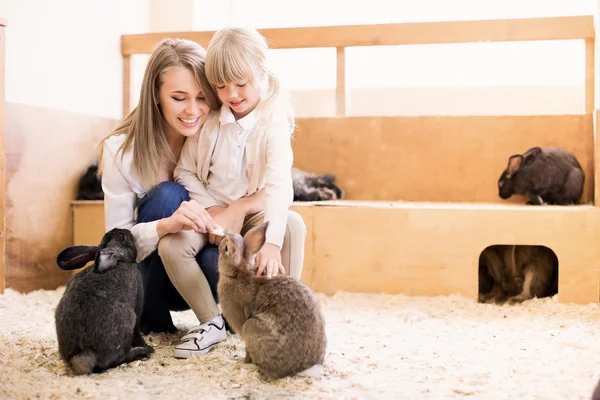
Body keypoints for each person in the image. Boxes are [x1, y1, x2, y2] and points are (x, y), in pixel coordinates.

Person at [97, 38, 265, 336]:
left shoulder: (221, 134)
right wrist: (165, 225)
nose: (192, 110)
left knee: (219, 255)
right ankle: (151, 321)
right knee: (168, 195)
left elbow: (273, 184)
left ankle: (218, 320)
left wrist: (241, 207)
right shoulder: (121, 152)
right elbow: (114, 245)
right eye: (178, 97)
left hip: (201, 263)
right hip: (152, 276)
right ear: (156, 95)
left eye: (202, 98)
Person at [158, 26, 307, 359]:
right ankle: (212, 322)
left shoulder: (273, 125)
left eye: (241, 84)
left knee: (293, 226)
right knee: (172, 246)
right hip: (212, 215)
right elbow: (184, 170)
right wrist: (212, 210)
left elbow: (280, 186)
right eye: (221, 86)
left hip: (253, 215)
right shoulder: (210, 122)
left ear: (261, 74)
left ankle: (283, 312)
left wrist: (271, 243)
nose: (232, 94)